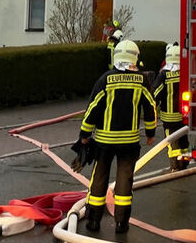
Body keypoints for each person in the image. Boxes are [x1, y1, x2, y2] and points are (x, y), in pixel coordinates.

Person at [76, 39, 157, 234]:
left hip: (104, 142)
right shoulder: (142, 80)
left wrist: (84, 135)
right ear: (135, 58)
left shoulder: (105, 79)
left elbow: (92, 109)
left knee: (99, 179)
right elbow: (150, 108)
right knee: (124, 180)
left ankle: (93, 220)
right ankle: (121, 223)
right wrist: (150, 132)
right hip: (129, 143)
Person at [153, 43, 189, 172]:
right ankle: (185, 163)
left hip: (169, 117)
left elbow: (156, 94)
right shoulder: (185, 73)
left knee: (172, 142)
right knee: (184, 139)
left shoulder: (163, 75)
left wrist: (152, 109)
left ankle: (175, 167)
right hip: (184, 115)